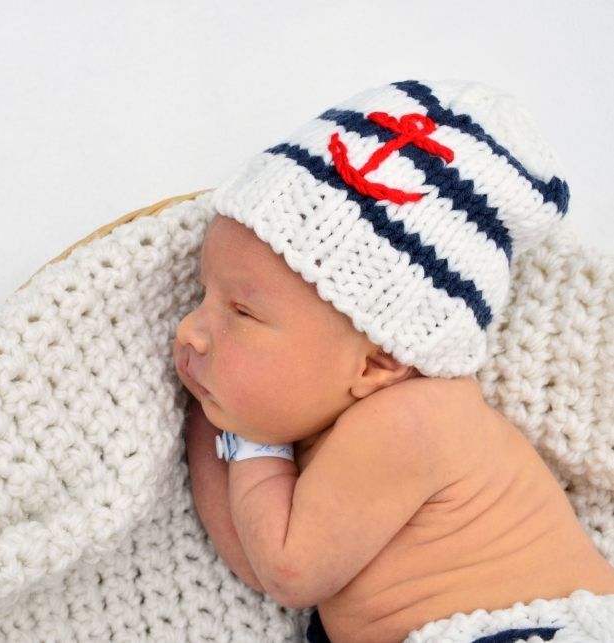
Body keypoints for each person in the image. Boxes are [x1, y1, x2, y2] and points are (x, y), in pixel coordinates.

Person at [173, 80, 614, 642]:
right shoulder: (320, 422)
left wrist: (247, 440)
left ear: (376, 363)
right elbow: (256, 557)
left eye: (241, 311)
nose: (189, 329)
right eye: (202, 293)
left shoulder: (414, 419)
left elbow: (287, 568)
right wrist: (211, 421)